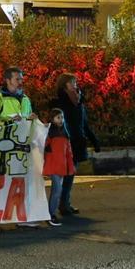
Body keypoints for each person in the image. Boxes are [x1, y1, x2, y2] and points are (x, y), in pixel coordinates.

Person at [51, 73, 100, 217]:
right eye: (71, 83)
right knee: (62, 176)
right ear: (64, 85)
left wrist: (94, 140)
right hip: (64, 144)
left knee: (70, 175)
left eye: (75, 82)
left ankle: (64, 203)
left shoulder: (79, 103)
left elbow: (83, 124)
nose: (75, 85)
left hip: (77, 143)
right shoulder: (59, 103)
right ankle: (58, 205)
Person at [41, 108, 73, 227]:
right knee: (57, 190)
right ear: (52, 119)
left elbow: (69, 152)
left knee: (57, 191)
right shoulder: (49, 133)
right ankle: (50, 214)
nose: (61, 120)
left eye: (62, 117)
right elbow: (41, 144)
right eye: (58, 117)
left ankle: (51, 213)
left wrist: (70, 166)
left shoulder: (64, 133)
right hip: (54, 165)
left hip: (61, 166)